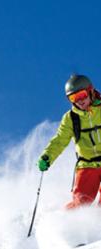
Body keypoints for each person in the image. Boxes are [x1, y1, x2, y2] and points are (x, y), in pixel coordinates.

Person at [38, 74, 101, 209]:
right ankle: (64, 223)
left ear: (90, 91)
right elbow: (60, 140)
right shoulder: (71, 118)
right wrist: (47, 156)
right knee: (80, 204)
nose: (79, 100)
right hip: (87, 164)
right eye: (74, 98)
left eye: (82, 95)